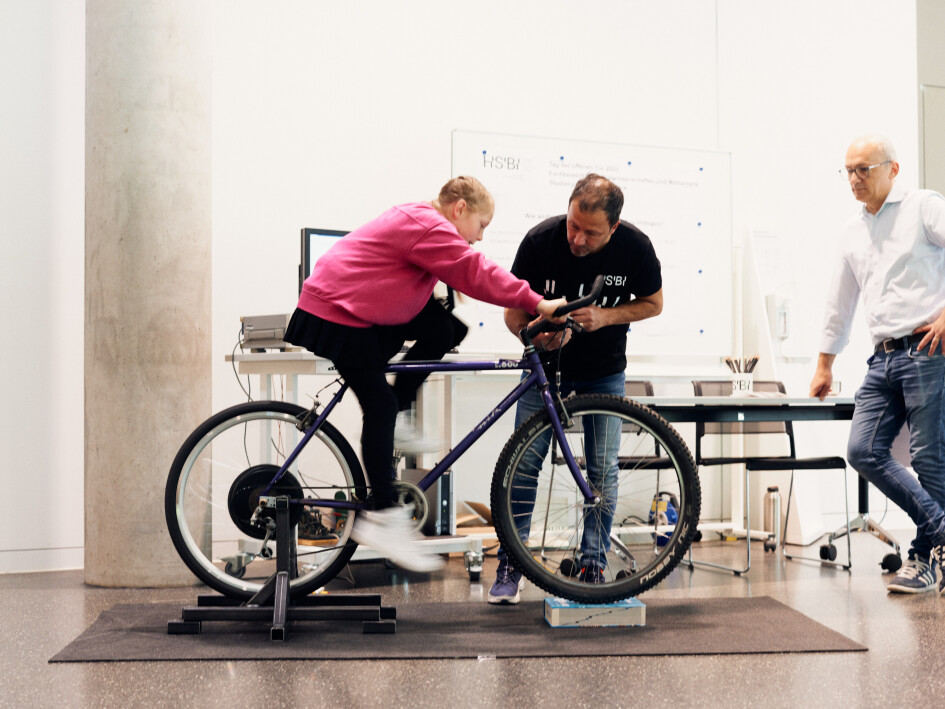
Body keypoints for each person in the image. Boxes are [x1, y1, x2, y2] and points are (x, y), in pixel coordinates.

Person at [285, 176, 567, 573]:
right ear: (460, 210)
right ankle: (382, 517)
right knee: (378, 406)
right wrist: (536, 301)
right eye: (482, 226)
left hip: (358, 307)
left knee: (447, 329)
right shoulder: (427, 226)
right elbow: (476, 272)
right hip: (335, 314)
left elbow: (456, 279)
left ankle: (399, 413)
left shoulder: (422, 221)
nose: (481, 237)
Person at [488, 173, 664, 604]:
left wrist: (606, 318)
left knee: (602, 471)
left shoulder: (636, 248)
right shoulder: (539, 241)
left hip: (604, 373)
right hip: (544, 373)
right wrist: (531, 335)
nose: (577, 238)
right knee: (523, 466)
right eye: (573, 225)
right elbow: (513, 313)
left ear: (614, 228)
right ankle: (513, 560)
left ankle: (593, 561)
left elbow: (654, 304)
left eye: (591, 232)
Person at [810, 134, 945, 594]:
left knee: (929, 460)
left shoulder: (924, 207)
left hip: (928, 350)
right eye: (848, 170)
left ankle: (923, 559)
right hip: (882, 358)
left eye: (863, 169)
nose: (854, 178)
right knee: (863, 450)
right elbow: (840, 300)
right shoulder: (852, 230)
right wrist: (824, 363)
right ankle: (942, 531)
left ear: (893, 169)